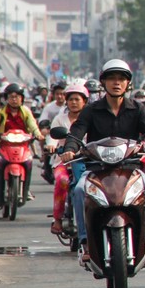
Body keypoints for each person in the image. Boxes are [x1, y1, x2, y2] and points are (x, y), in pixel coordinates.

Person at [63, 60, 145, 263]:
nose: (116, 83)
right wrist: (69, 149)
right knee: (79, 190)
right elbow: (77, 132)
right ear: (103, 83)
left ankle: (144, 242)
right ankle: (85, 242)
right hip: (96, 169)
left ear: (128, 84)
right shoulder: (91, 109)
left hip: (130, 169)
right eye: (111, 79)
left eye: (121, 79)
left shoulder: (137, 108)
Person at [0, 84, 44, 208]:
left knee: (28, 163)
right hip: (3, 144)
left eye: (17, 97)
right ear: (6, 98)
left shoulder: (26, 112)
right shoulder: (1, 112)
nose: (14, 99)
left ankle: (26, 190)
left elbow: (33, 124)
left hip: (22, 145)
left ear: (22, 98)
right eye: (11, 97)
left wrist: (38, 134)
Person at [50, 80, 89, 237]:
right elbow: (52, 137)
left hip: (88, 162)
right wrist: (51, 145)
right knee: (63, 181)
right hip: (64, 163)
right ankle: (58, 219)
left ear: (85, 101)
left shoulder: (90, 119)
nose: (73, 103)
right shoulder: (60, 119)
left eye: (77, 99)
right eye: (71, 99)